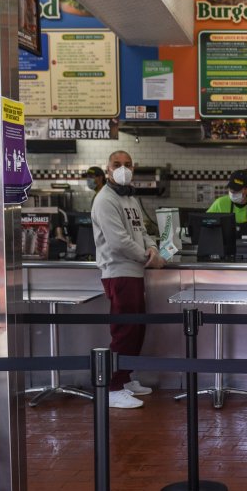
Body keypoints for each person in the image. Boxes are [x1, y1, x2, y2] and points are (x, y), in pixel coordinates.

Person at [90, 150, 166, 409]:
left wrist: (152, 248)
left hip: (134, 270)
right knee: (123, 331)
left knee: (136, 328)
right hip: (119, 271)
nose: (123, 168)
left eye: (128, 165)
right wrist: (148, 256)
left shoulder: (130, 196)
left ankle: (125, 376)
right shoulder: (105, 200)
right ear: (107, 169)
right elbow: (118, 241)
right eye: (117, 164)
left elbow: (141, 230)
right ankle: (112, 386)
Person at [207, 169, 247, 257]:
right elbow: (206, 226)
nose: (233, 192)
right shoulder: (219, 204)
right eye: (231, 189)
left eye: (237, 190)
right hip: (223, 254)